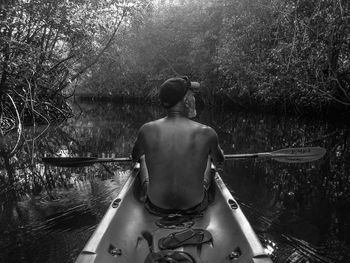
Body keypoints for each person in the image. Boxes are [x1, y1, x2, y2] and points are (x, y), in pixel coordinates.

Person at [132, 76, 224, 215]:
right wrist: (215, 152)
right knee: (209, 159)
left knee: (143, 158)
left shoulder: (146, 130)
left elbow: (134, 157)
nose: (194, 99)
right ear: (185, 100)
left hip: (156, 206)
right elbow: (220, 160)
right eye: (192, 95)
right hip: (194, 207)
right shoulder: (207, 133)